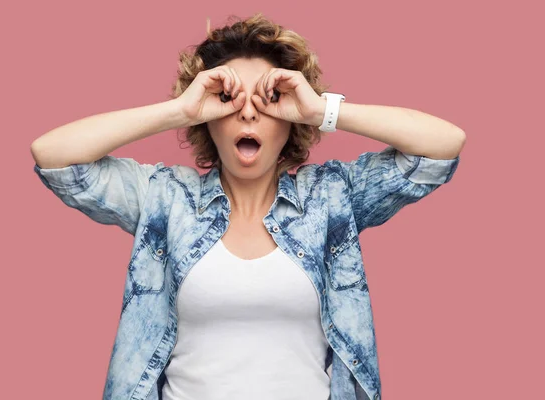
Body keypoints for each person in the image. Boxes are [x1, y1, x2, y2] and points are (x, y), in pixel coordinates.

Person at [31, 13, 464, 400]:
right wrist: (180, 110)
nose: (249, 114)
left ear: (291, 122)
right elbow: (54, 157)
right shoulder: (164, 198)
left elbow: (442, 148)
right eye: (230, 99)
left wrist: (319, 109)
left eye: (269, 99)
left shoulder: (331, 198)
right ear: (209, 118)